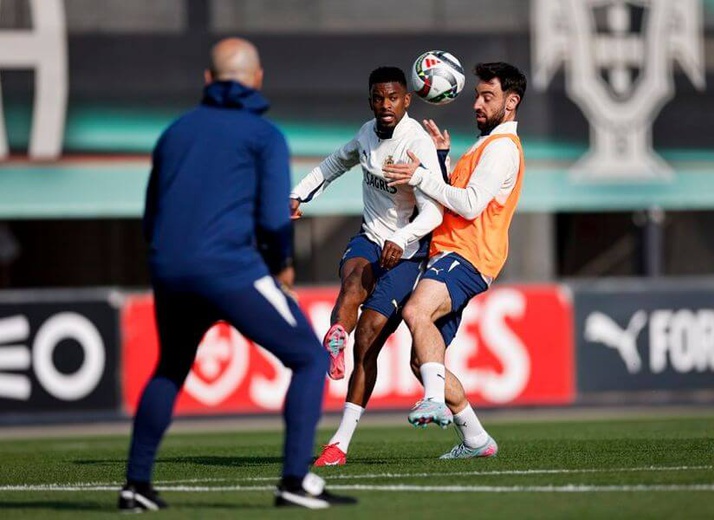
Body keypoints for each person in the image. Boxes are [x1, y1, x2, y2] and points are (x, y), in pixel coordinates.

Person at [119, 38, 356, 511]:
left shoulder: (174, 134)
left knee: (170, 366)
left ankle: (135, 486)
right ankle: (294, 480)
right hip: (228, 267)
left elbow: (150, 216)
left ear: (207, 80)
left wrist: (168, 260)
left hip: (170, 267)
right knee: (309, 360)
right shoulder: (263, 135)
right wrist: (282, 264)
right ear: (258, 79)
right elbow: (272, 219)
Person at [290, 67, 443, 466]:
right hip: (370, 238)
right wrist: (298, 195)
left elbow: (434, 213)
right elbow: (333, 164)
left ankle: (340, 441)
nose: (385, 105)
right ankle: (335, 336)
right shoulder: (365, 135)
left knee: (369, 339)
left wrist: (402, 238)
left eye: (393, 98)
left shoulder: (418, 145)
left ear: (406, 100)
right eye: (378, 98)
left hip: (406, 254)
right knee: (352, 282)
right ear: (371, 100)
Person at [383, 62, 526, 459]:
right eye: (477, 95)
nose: (477, 104)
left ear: (511, 102)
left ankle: (432, 402)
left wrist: (419, 177)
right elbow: (456, 195)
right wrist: (442, 160)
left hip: (468, 254)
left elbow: (470, 204)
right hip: (455, 253)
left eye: (488, 96)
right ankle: (477, 438)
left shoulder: (500, 148)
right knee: (422, 360)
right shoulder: (484, 145)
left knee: (416, 310)